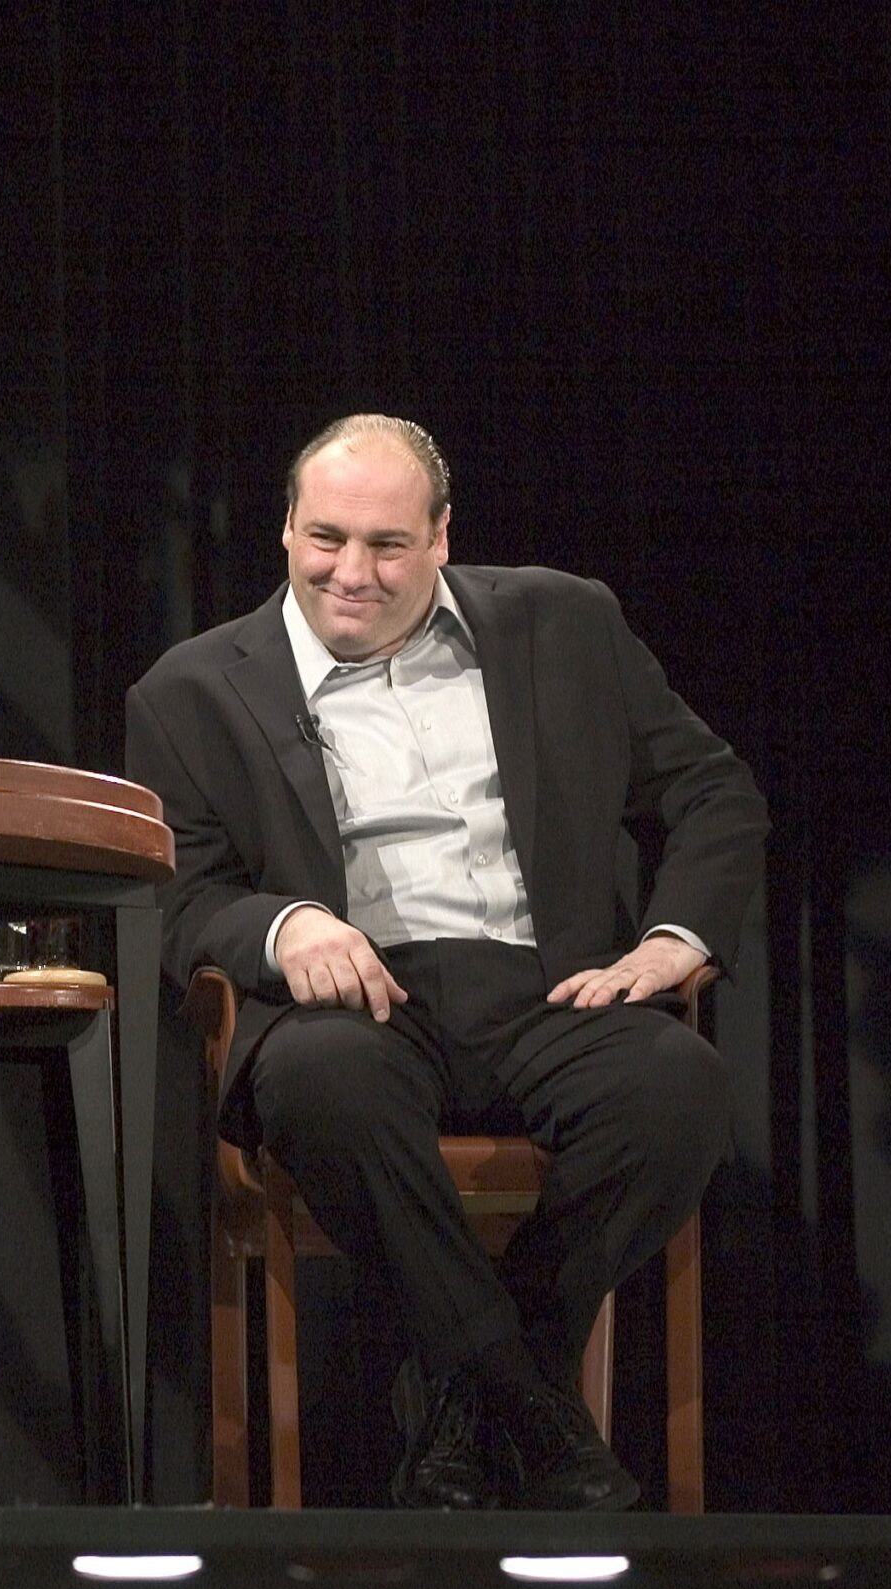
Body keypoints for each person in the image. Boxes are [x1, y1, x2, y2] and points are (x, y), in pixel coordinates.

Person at [125, 414, 766, 1510]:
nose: (351, 572)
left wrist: (673, 941)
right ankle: (535, 1410)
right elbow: (179, 898)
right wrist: (286, 926)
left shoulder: (564, 621)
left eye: (387, 545)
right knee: (319, 1082)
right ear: (286, 529)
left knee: (677, 1087)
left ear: (441, 538)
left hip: (548, 989)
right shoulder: (187, 693)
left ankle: (473, 1392)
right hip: (360, 1005)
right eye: (326, 538)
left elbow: (713, 791)